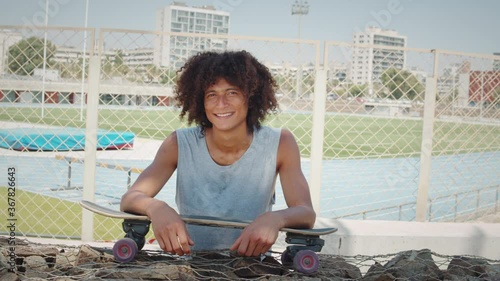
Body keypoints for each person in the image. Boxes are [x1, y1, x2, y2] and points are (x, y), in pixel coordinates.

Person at [120, 50, 316, 257]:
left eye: (232, 93)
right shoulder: (178, 143)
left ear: (251, 97)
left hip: (252, 267)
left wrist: (276, 219)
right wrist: (157, 208)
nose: (221, 104)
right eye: (211, 94)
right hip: (191, 265)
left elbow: (306, 212)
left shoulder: (281, 143)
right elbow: (130, 198)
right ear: (199, 101)